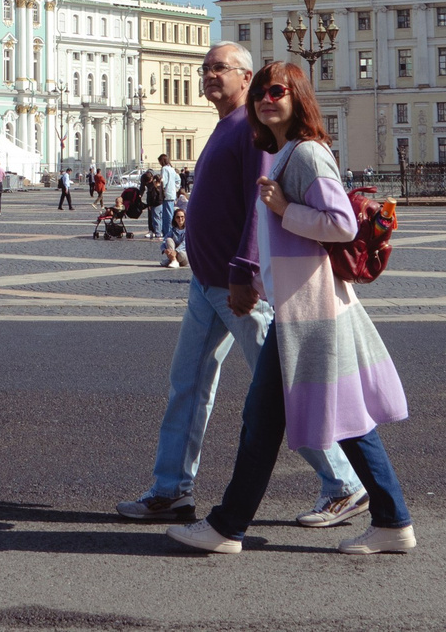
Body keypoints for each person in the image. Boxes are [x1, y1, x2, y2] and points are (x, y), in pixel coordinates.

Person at [117, 43, 369, 533]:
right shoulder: (226, 124)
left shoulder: (251, 131)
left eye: (220, 69)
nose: (210, 75)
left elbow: (259, 210)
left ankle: (344, 483)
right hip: (206, 280)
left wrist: (243, 272)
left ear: (246, 76)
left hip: (235, 285)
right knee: (186, 387)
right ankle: (171, 489)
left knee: (285, 388)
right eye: (205, 68)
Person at [171, 62, 415, 556]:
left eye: (276, 90)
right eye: (260, 92)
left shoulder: (305, 154)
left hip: (311, 316)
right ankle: (391, 519)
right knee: (333, 420)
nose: (265, 99)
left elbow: (341, 225)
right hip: (300, 311)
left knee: (270, 425)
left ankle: (226, 527)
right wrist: (259, 279)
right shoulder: (284, 153)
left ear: (297, 96)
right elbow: (287, 242)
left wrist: (285, 209)